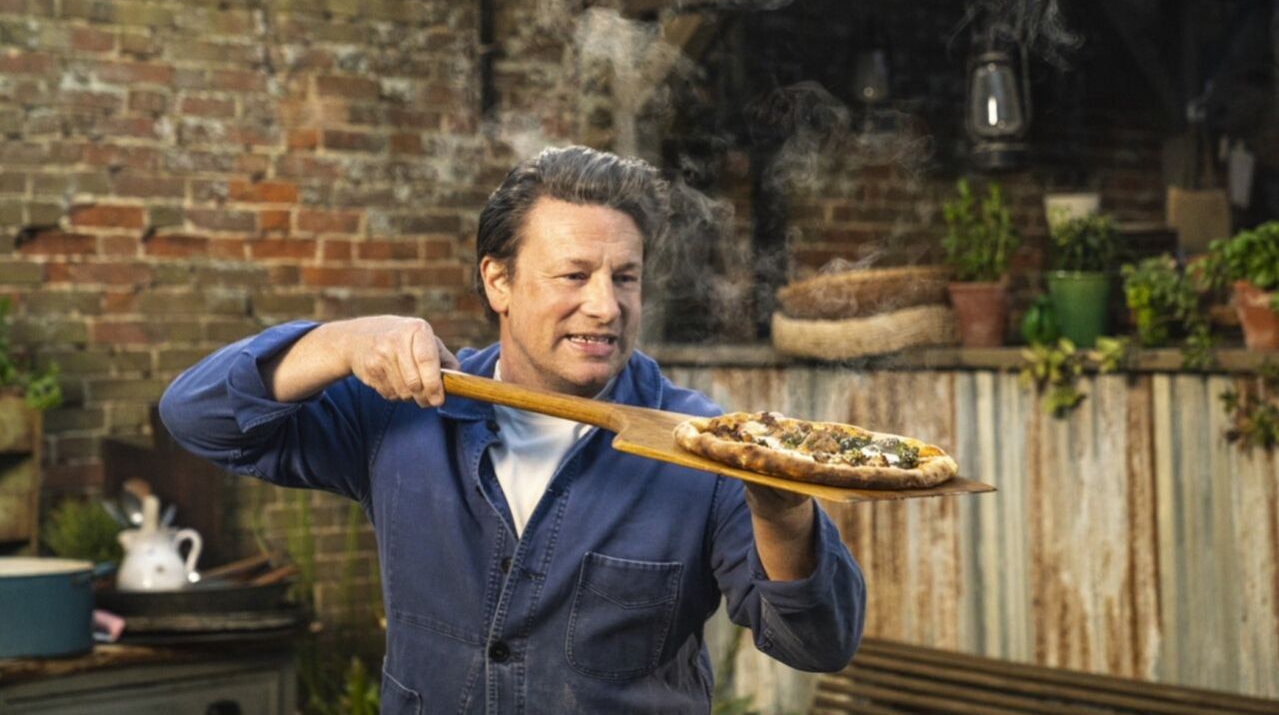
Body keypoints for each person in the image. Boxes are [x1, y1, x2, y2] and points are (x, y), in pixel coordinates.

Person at [160, 145, 865, 713]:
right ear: (498, 281)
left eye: (625, 277)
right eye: (573, 275)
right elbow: (198, 417)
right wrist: (341, 342)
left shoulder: (705, 445)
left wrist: (783, 510)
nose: (605, 306)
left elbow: (818, 642)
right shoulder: (404, 416)